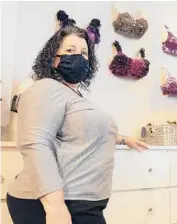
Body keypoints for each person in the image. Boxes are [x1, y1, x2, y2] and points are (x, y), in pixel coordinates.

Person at [6, 23, 148, 224]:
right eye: (70, 50)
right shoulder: (45, 88)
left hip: (83, 203)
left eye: (84, 53)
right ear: (53, 58)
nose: (79, 57)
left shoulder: (73, 96)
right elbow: (35, 142)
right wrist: (55, 207)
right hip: (53, 202)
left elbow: (82, 134)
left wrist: (124, 139)